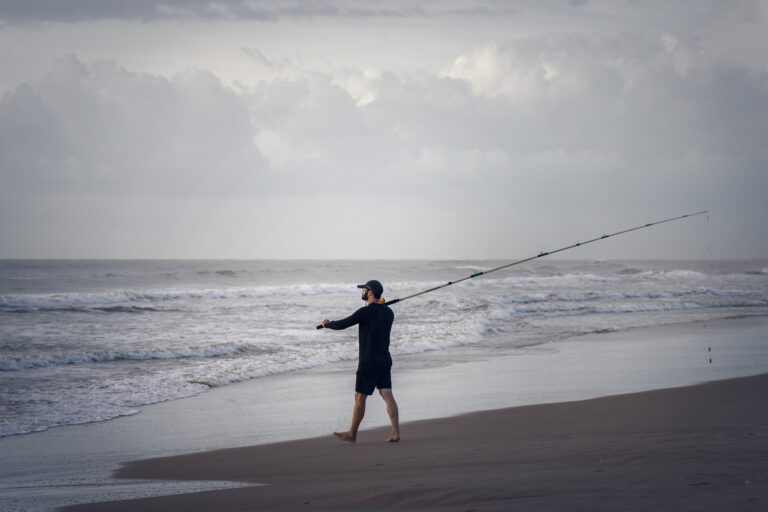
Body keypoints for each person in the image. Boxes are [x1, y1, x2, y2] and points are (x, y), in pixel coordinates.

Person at [321, 279, 400, 443]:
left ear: (370, 292)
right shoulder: (389, 312)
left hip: (368, 361)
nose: (362, 292)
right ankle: (395, 432)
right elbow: (378, 314)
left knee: (359, 398)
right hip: (385, 359)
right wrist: (379, 306)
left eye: (364, 290)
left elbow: (344, 323)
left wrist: (329, 324)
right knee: (387, 394)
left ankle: (352, 433)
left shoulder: (366, 312)